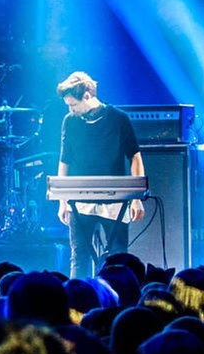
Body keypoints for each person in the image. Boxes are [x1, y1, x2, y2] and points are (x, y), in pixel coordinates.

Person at [53, 71, 144, 278]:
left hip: (115, 202)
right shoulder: (70, 121)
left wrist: (136, 198)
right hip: (80, 200)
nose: (71, 109)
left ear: (86, 95)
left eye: (73, 104)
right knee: (80, 255)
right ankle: (78, 303)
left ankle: (119, 301)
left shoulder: (119, 119)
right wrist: (62, 201)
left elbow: (135, 158)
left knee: (118, 256)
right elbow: (64, 160)